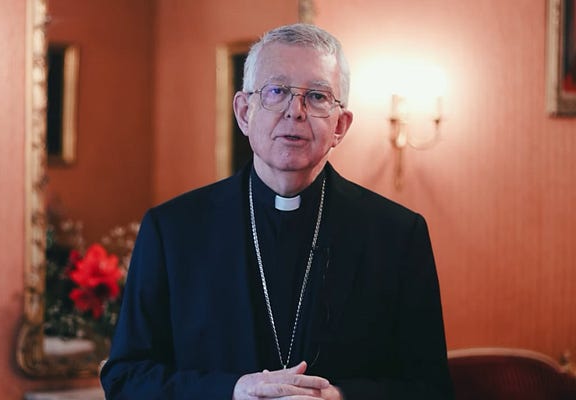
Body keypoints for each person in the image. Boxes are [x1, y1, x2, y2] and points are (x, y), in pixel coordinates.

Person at [100, 23, 453, 399]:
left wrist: (340, 397)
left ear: (340, 125)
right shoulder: (173, 230)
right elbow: (126, 378)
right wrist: (232, 391)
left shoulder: (397, 234)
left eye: (316, 96)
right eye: (276, 91)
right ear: (244, 112)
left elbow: (431, 389)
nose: (295, 112)